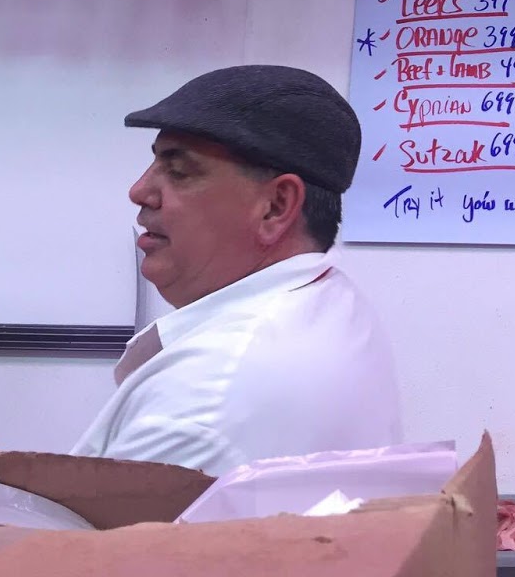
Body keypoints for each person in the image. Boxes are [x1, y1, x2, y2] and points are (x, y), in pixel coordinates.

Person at [72, 65, 402, 474]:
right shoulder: (330, 300)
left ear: (276, 206)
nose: (139, 191)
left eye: (178, 171)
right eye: (154, 163)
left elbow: (95, 540)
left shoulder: (202, 400)